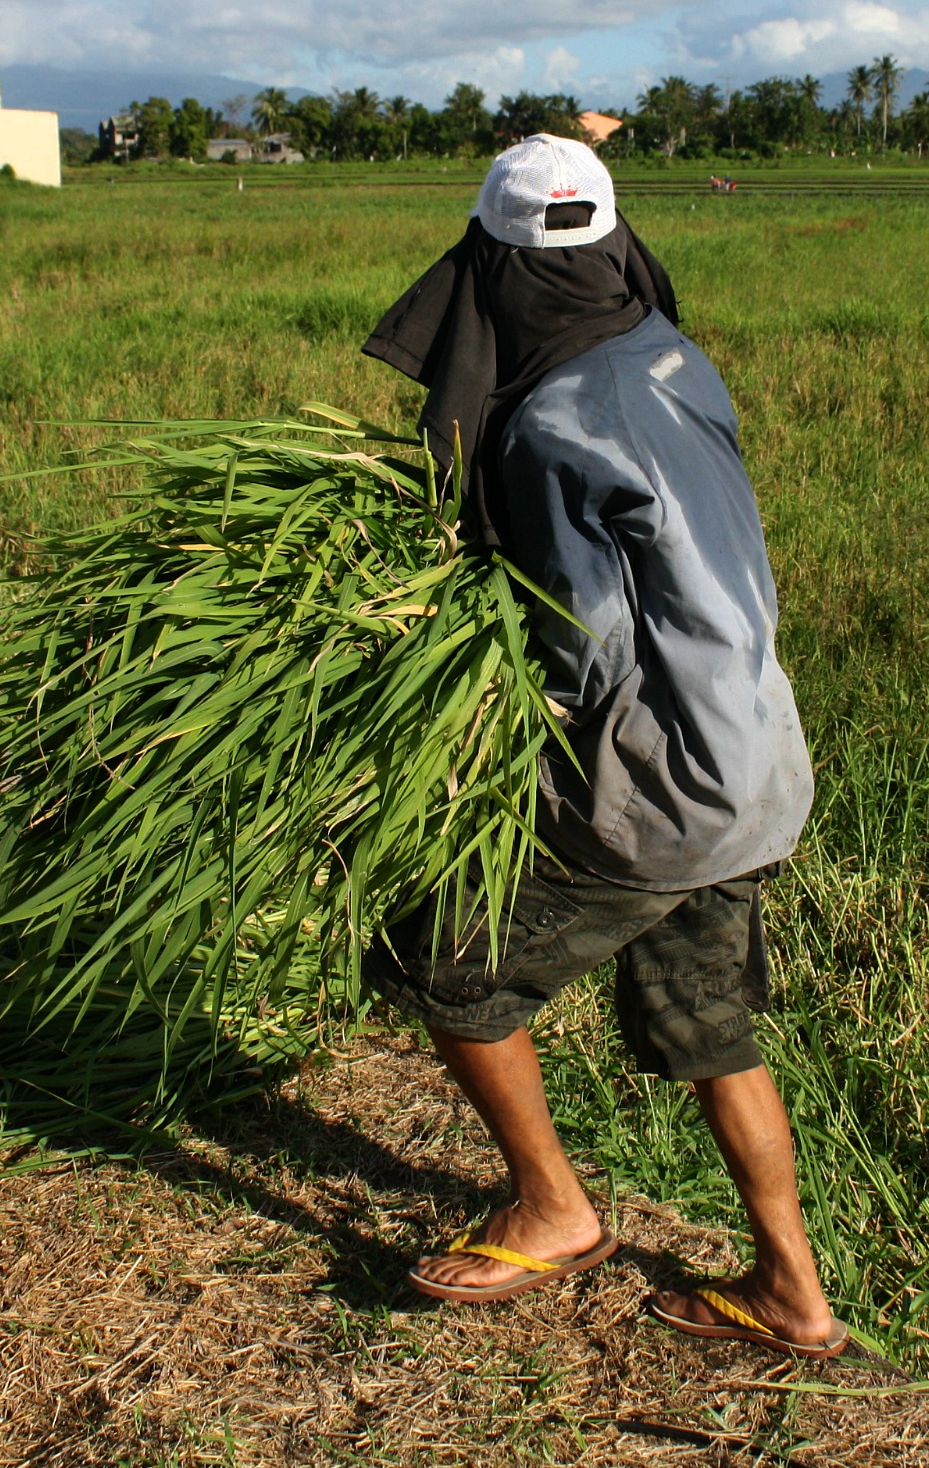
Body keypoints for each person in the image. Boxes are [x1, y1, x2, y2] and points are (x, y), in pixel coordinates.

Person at [359, 135, 843, 1359]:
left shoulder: (550, 422)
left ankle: (554, 1208)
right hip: (754, 756)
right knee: (710, 1021)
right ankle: (793, 1287)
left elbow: (582, 648)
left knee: (441, 961)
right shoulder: (670, 354)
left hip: (658, 780)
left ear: (494, 266)